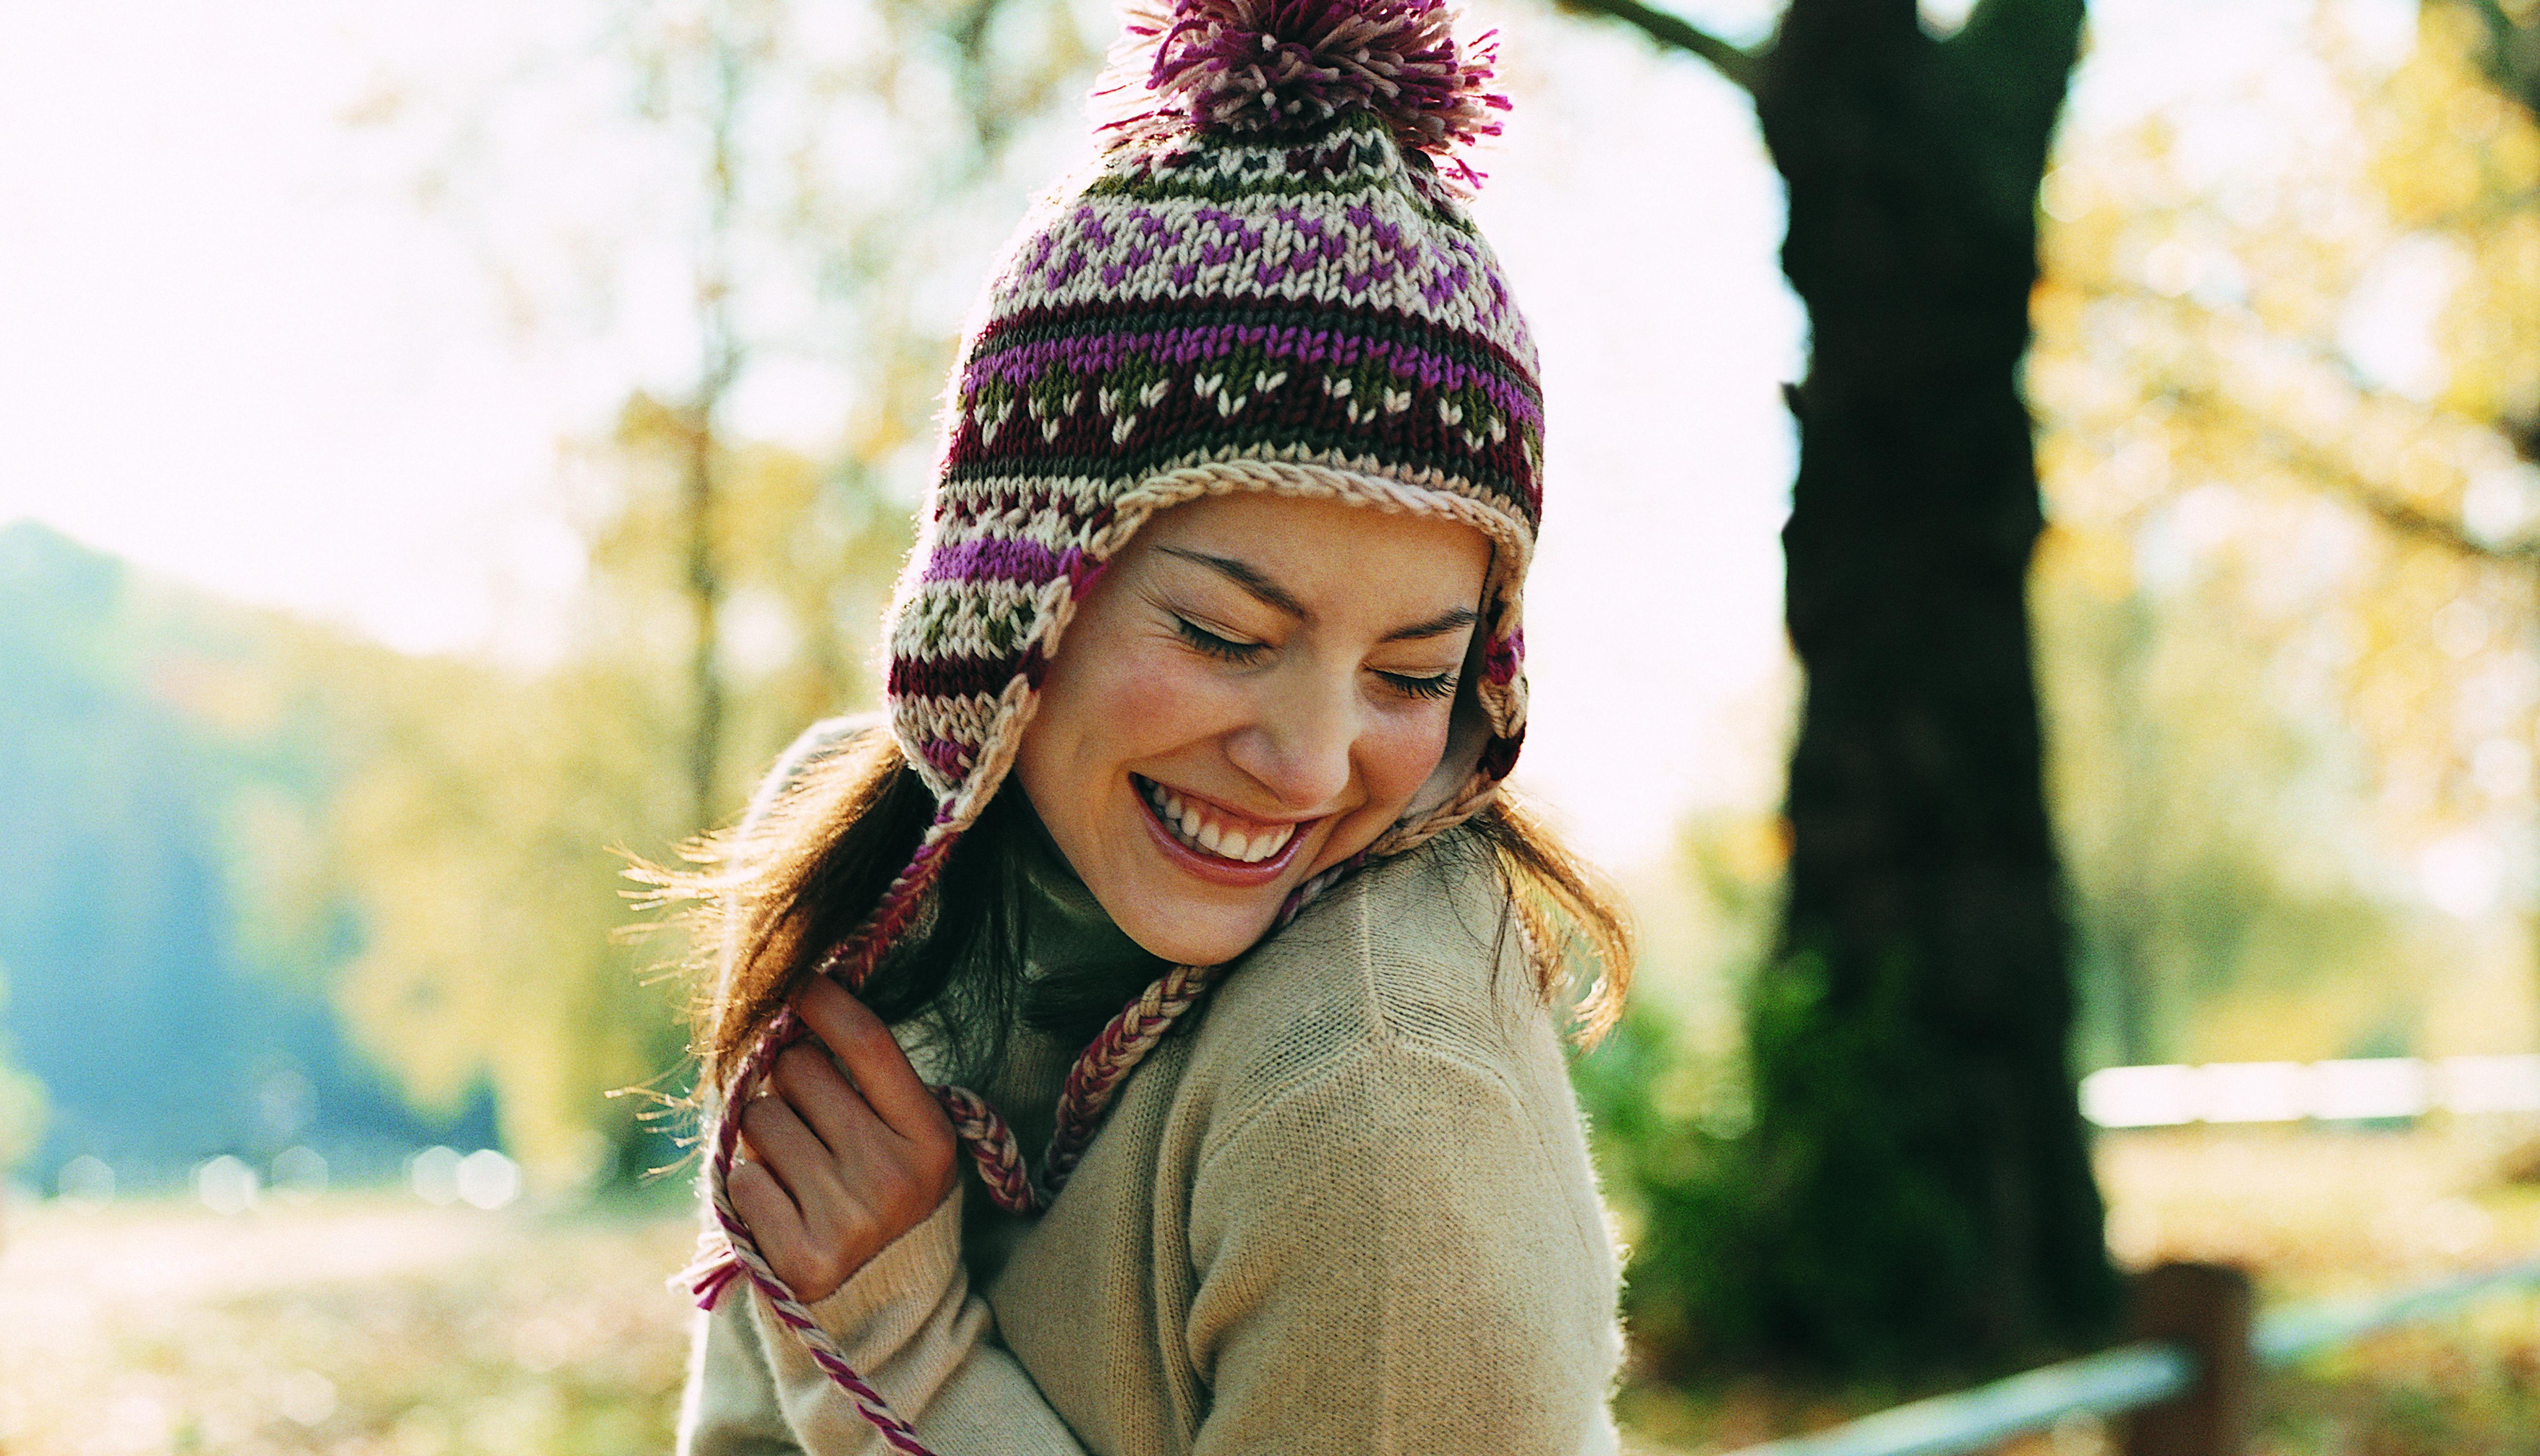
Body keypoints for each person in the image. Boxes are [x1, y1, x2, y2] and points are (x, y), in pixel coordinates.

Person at [666, 0, 1633, 1449]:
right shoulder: (859, 893)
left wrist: (903, 1352)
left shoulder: (1381, 1086)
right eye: (1226, 636)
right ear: (1010, 597)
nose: (1310, 764)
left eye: (1413, 673)